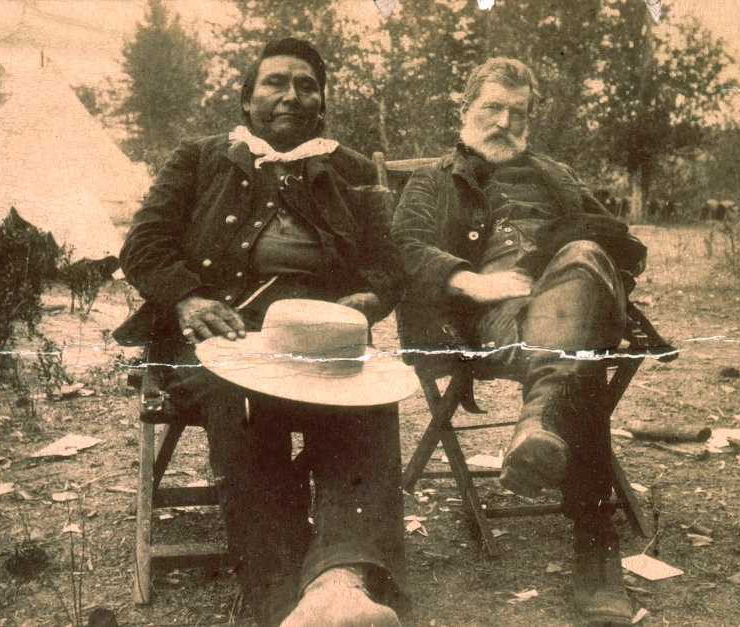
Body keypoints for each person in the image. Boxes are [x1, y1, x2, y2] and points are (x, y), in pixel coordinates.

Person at [114, 38, 410, 627]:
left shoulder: (348, 170)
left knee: (371, 396)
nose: (291, 97)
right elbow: (141, 246)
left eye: (306, 85)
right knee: (244, 396)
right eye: (275, 82)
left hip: (316, 344)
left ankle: (340, 582)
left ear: (321, 104)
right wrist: (188, 297)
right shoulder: (199, 159)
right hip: (213, 342)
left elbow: (391, 261)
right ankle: (282, 603)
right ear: (247, 99)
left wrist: (371, 297)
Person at [391, 58, 647, 626]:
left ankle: (539, 419)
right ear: (465, 111)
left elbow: (619, 244)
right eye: (493, 109)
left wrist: (583, 254)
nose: (505, 122)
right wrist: (475, 281)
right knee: (581, 357)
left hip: (571, 295)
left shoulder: (557, 175)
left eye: (518, 112)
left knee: (582, 261)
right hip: (495, 317)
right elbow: (404, 246)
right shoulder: (434, 179)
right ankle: (595, 547)